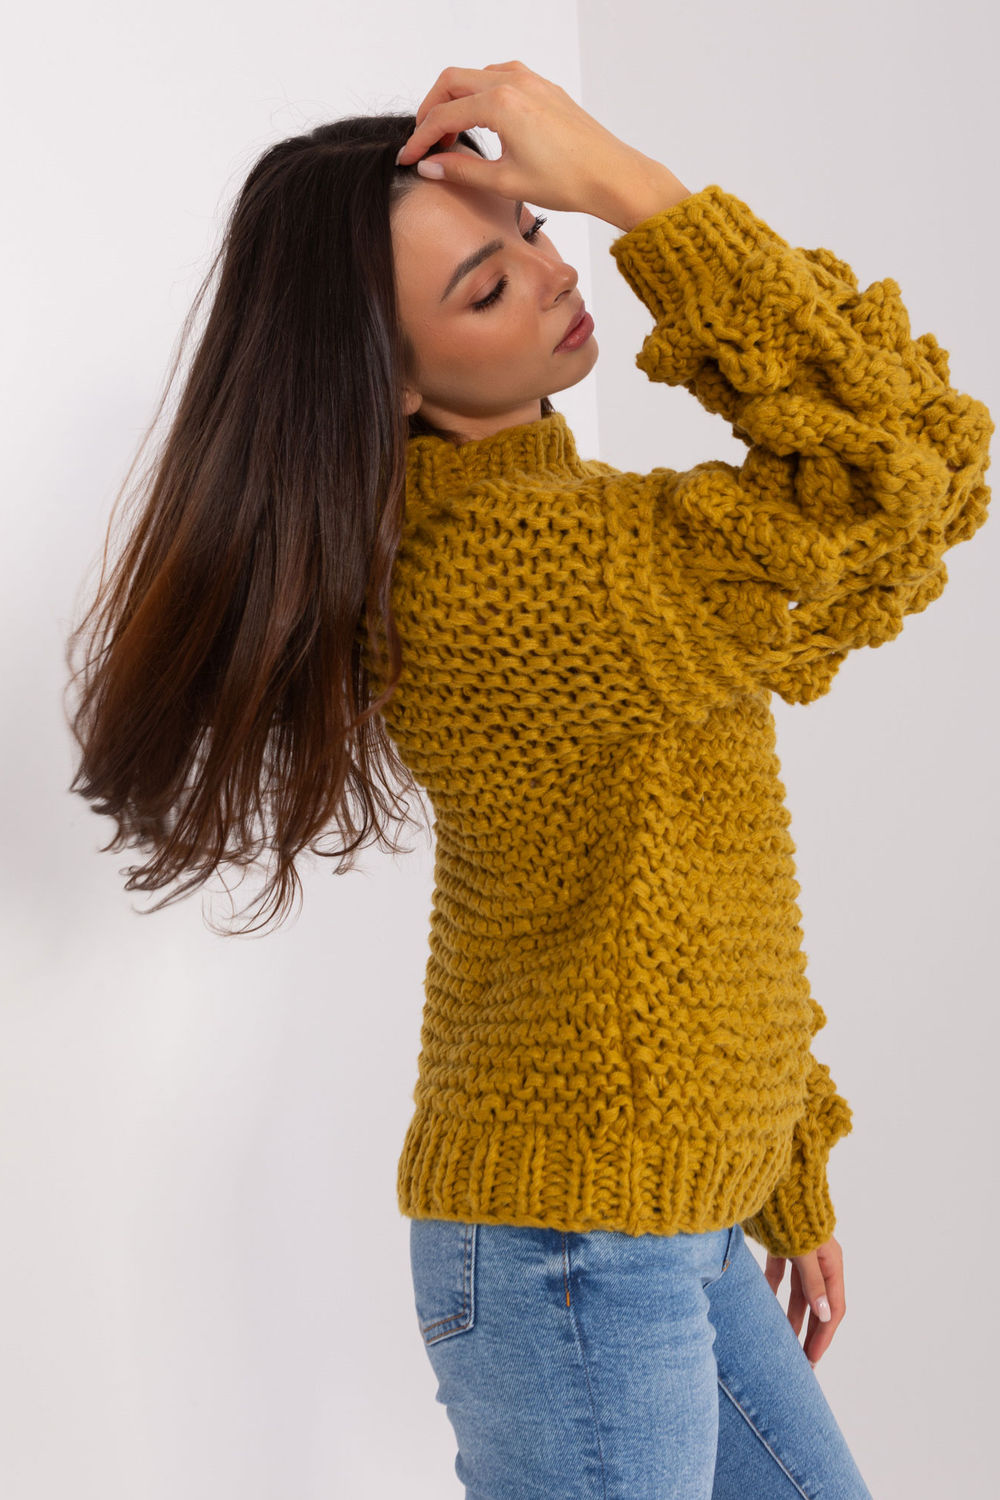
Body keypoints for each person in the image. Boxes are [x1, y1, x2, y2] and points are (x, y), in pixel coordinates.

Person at [65, 60, 993, 1500]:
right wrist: (637, 190)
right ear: (396, 379)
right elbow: (898, 470)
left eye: (538, 227)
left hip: (659, 1223)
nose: (559, 273)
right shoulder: (517, 574)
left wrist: (784, 1155)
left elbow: (689, 877)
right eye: (489, 286)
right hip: (578, 1253)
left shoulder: (578, 536)